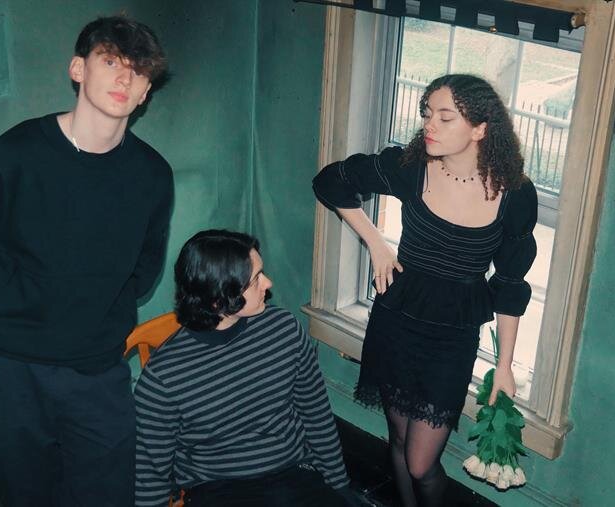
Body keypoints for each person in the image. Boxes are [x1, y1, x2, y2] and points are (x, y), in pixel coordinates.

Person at [0, 15, 172, 507]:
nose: (124, 77)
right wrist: (5, 304)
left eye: (138, 71)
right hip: (8, 367)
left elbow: (144, 269)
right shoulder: (12, 156)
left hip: (95, 369)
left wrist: (92, 314)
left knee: (108, 494)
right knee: (26, 495)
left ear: (145, 93)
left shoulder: (152, 175)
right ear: (78, 69)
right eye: (110, 61)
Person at [312, 74, 538, 507]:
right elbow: (331, 181)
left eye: (445, 117)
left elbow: (510, 285)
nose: (429, 125)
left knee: (421, 462)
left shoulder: (515, 194)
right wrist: (376, 242)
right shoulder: (411, 167)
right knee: (398, 440)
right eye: (427, 113)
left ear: (480, 128)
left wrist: (505, 366)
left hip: (452, 335)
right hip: (396, 318)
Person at [134, 230, 359, 507]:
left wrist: (339, 486)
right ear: (218, 300)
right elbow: (150, 474)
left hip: (294, 474)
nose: (268, 283)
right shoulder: (163, 376)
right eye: (255, 280)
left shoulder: (284, 329)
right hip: (219, 490)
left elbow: (316, 415)